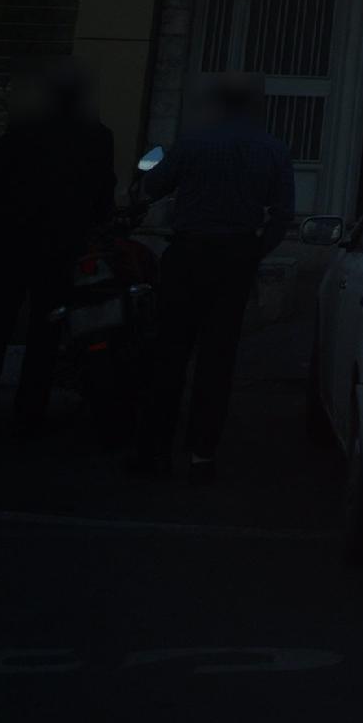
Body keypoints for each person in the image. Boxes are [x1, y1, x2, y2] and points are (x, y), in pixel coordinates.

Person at [133, 75, 294, 482]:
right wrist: (255, 251)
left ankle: (155, 450)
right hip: (236, 257)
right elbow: (283, 214)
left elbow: (152, 186)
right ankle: (202, 453)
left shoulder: (193, 142)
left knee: (170, 352)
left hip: (188, 253)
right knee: (217, 358)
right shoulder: (273, 150)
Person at [0, 59, 116, 435]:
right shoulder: (97, 138)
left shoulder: (22, 130)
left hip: (10, 244)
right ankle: (29, 413)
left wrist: (6, 217)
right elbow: (103, 199)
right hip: (59, 251)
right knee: (44, 336)